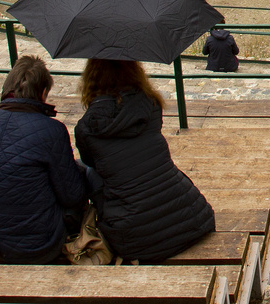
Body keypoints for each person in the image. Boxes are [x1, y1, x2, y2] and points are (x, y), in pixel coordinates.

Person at [74, 59, 217, 263]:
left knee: (85, 168)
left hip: (135, 238)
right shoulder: (150, 105)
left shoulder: (86, 127)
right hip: (191, 220)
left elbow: (91, 163)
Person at [0, 55, 89, 264]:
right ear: (43, 93)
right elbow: (73, 197)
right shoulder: (51, 130)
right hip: (39, 246)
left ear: (6, 89)